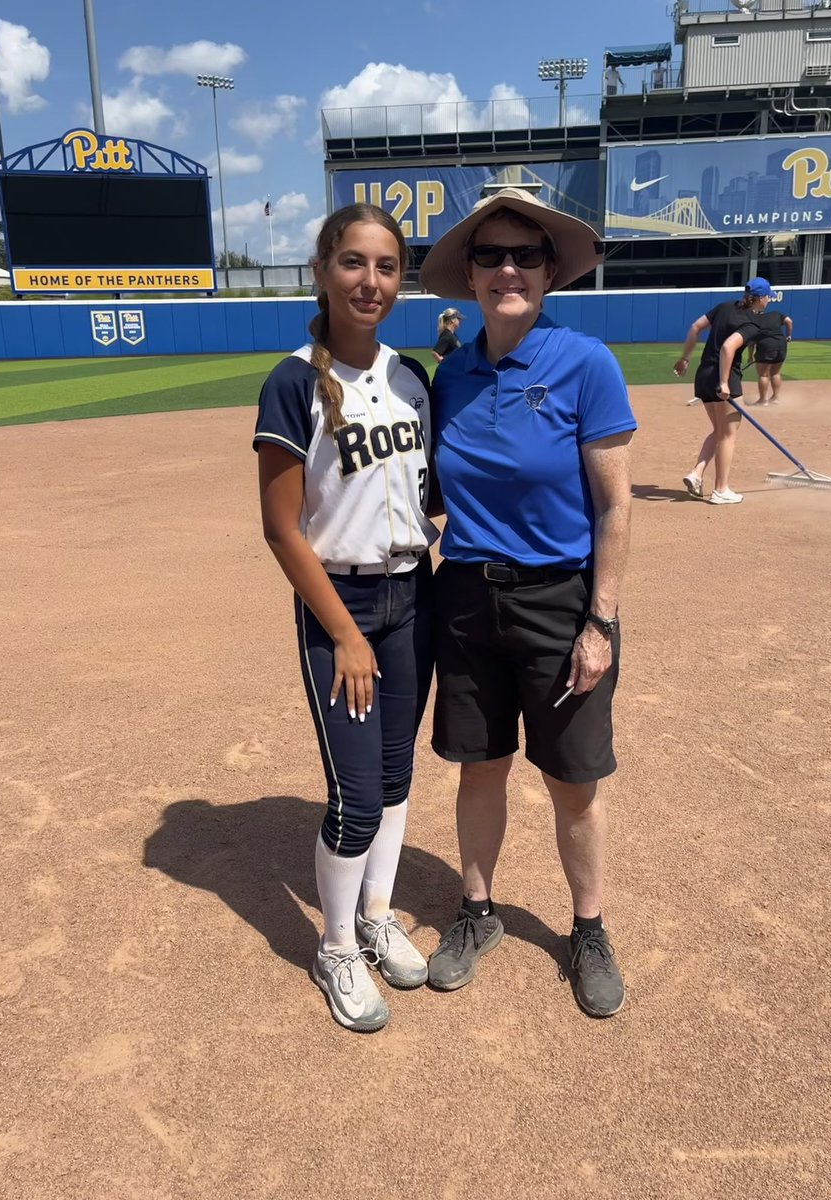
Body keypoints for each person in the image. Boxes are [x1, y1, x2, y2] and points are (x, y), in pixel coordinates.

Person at [419, 187, 636, 1019]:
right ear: (469, 275)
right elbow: (432, 493)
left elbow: (616, 506)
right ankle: (477, 915)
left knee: (573, 781)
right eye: (489, 255)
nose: (507, 268)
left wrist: (601, 620)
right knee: (481, 769)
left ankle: (588, 929)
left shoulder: (585, 363)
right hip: (468, 597)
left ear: (550, 272)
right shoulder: (452, 376)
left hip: (559, 600)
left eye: (525, 255)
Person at [253, 203, 438, 1033]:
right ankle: (334, 945)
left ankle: (375, 913)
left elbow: (431, 498)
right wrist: (346, 633)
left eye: (388, 266)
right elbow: (280, 528)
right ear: (325, 270)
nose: (372, 281)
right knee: (356, 799)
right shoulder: (293, 382)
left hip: (414, 597)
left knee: (397, 780)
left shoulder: (411, 377)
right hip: (345, 610)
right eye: (355, 263)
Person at [673, 277, 776, 504]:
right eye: (769, 296)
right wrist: (724, 382)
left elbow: (695, 328)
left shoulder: (724, 306)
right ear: (761, 299)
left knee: (719, 431)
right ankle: (721, 490)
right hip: (723, 378)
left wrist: (685, 359)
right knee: (729, 434)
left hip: (703, 376)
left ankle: (696, 473)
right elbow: (729, 347)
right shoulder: (752, 323)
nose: (770, 300)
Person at [748, 306, 793, 406]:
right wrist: (789, 335)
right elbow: (789, 321)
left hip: (766, 346)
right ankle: (776, 398)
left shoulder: (753, 321)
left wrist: (750, 357)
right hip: (781, 345)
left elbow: (751, 344)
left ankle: (763, 400)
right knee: (776, 373)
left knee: (763, 374)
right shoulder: (775, 314)